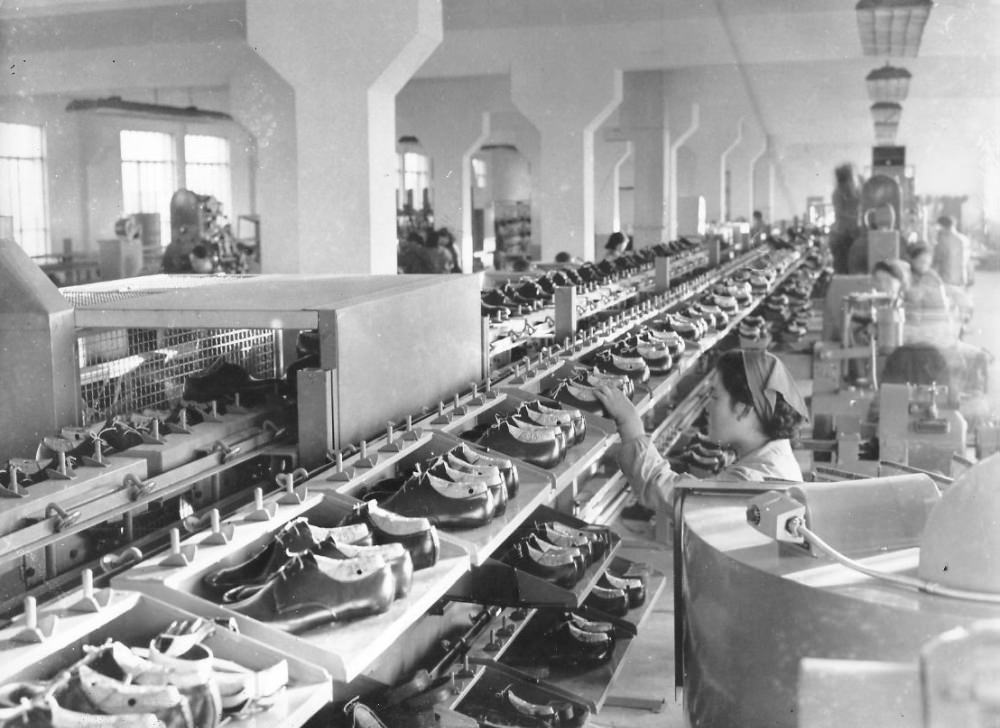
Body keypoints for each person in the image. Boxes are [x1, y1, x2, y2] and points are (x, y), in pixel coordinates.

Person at [594, 349, 809, 513]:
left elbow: (675, 496)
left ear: (744, 409)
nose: (707, 407)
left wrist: (631, 427)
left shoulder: (750, 482)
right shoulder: (776, 458)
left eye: (715, 397)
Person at [830, 163, 862, 274]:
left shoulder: (864, 191)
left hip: (860, 237)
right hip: (843, 238)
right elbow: (840, 215)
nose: (847, 188)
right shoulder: (838, 194)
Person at [904, 242, 949, 311]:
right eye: (921, 262)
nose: (923, 266)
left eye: (926, 263)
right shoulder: (905, 274)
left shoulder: (933, 278)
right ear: (912, 260)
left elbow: (942, 304)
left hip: (930, 316)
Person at [934, 215, 971, 287]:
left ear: (942, 226)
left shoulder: (943, 240)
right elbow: (968, 261)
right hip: (962, 278)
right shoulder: (964, 239)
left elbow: (937, 259)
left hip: (946, 279)